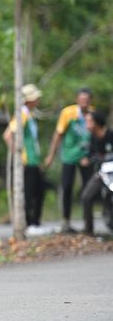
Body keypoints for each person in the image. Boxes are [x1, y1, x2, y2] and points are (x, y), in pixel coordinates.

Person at [44, 89, 93, 232]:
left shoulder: (92, 113)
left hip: (86, 158)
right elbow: (58, 135)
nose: (84, 103)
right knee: (67, 187)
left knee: (88, 190)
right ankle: (66, 221)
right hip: (69, 157)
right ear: (77, 100)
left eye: (86, 100)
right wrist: (51, 156)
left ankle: (88, 223)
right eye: (81, 99)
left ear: (90, 101)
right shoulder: (68, 113)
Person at [4, 84, 45, 235]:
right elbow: (8, 135)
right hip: (27, 161)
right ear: (29, 100)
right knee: (29, 193)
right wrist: (18, 156)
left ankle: (35, 223)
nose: (38, 100)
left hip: (34, 160)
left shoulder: (30, 114)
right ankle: (29, 223)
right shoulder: (22, 114)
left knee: (38, 191)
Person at [80, 110, 113, 235]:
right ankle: (88, 230)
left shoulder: (110, 135)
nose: (87, 125)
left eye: (89, 121)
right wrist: (88, 160)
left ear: (97, 123)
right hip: (102, 173)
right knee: (86, 196)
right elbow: (91, 155)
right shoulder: (92, 138)